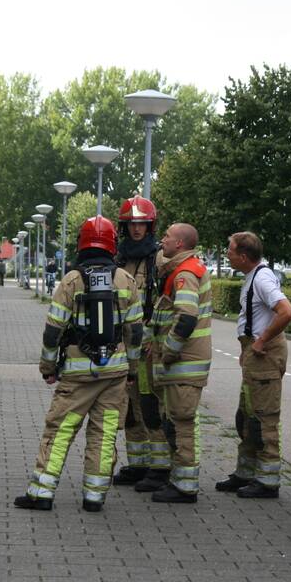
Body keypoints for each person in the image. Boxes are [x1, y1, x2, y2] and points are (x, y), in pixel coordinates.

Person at [14, 216, 143, 512]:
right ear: (112, 243)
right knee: (104, 432)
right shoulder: (126, 280)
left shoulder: (71, 281)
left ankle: (42, 493)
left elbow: (53, 330)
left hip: (77, 375)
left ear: (82, 243)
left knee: (60, 430)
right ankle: (94, 497)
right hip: (115, 373)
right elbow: (135, 332)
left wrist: (48, 366)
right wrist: (132, 371)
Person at [217, 231, 291, 499]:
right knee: (247, 417)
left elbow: (287, 312)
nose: (226, 253)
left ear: (243, 256)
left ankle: (267, 481)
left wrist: (260, 342)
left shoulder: (261, 279)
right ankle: (246, 473)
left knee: (263, 419)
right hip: (254, 355)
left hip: (264, 356)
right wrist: (247, 348)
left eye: (230, 250)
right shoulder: (254, 276)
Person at [110, 196, 171, 492]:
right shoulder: (117, 258)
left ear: (150, 226)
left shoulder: (159, 258)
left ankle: (159, 468)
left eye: (142, 224)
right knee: (130, 408)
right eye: (132, 224)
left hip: (147, 346)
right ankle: (138, 464)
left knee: (150, 405)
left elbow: (171, 301)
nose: (137, 229)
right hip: (123, 345)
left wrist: (158, 337)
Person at [149, 223, 213, 503]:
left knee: (182, 424)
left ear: (180, 244)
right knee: (175, 421)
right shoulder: (181, 269)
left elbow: (186, 317)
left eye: (167, 236)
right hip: (182, 364)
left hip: (183, 364)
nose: (162, 239)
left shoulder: (184, 273)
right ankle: (180, 481)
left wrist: (168, 351)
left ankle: (185, 487)